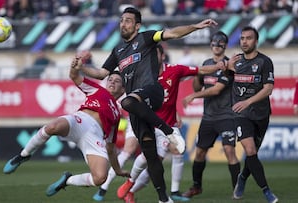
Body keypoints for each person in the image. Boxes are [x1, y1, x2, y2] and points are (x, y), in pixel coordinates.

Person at [80, 7, 218, 203]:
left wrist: (195, 26)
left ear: (137, 25)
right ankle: (164, 199)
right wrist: (81, 67)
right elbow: (102, 73)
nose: (123, 23)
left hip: (151, 92)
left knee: (126, 101)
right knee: (150, 155)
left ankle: (167, 130)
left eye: (128, 20)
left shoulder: (146, 38)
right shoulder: (118, 50)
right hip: (138, 108)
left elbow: (172, 33)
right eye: (121, 20)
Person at [3, 57, 130, 198]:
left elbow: (111, 148)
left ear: (123, 89)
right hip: (80, 121)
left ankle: (67, 181)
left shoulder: (117, 115)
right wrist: (74, 67)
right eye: (110, 79)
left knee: (100, 178)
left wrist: (118, 170)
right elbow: (74, 76)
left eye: (117, 81)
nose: (112, 81)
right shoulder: (98, 90)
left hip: (95, 137)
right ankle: (23, 155)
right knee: (52, 127)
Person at [115, 43, 226, 203]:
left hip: (169, 124)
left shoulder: (174, 70)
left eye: (155, 55)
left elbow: (199, 70)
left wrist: (217, 66)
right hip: (151, 123)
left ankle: (166, 190)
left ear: (162, 56)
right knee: (151, 159)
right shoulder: (142, 75)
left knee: (175, 153)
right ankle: (131, 184)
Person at [181, 31, 241, 199]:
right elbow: (196, 87)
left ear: (225, 45)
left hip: (226, 116)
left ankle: (237, 188)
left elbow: (216, 90)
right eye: (214, 42)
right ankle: (196, 187)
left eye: (220, 43)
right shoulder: (206, 64)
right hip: (208, 117)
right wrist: (198, 74)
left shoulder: (230, 66)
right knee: (199, 153)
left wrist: (193, 96)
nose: (216, 45)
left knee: (229, 150)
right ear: (211, 44)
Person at [228, 26, 278, 203]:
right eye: (242, 38)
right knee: (249, 149)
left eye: (248, 38)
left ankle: (242, 178)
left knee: (253, 154)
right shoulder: (235, 62)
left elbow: (269, 88)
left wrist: (248, 101)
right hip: (241, 114)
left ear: (256, 41)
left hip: (261, 114)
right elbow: (224, 82)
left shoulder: (265, 62)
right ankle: (266, 191)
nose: (244, 41)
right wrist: (227, 68)